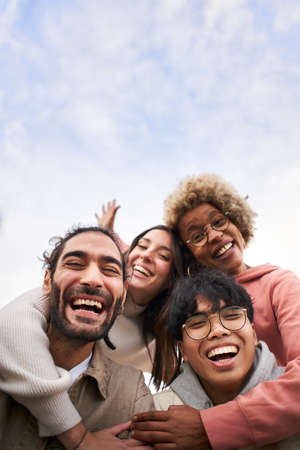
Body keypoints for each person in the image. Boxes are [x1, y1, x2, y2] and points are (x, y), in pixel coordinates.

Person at [131, 173, 300, 449]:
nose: (214, 235)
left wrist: (211, 426)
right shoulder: (186, 301)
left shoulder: (279, 284)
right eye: (197, 235)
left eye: (219, 220)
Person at [0, 220, 183, 444]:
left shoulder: (144, 368)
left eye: (164, 256)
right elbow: (9, 324)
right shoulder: (34, 310)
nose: (93, 280)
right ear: (47, 281)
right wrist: (81, 439)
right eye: (76, 264)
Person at [152, 269, 300, 449]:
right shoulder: (157, 413)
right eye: (198, 323)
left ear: (253, 334)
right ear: (183, 351)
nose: (218, 331)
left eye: (231, 316)